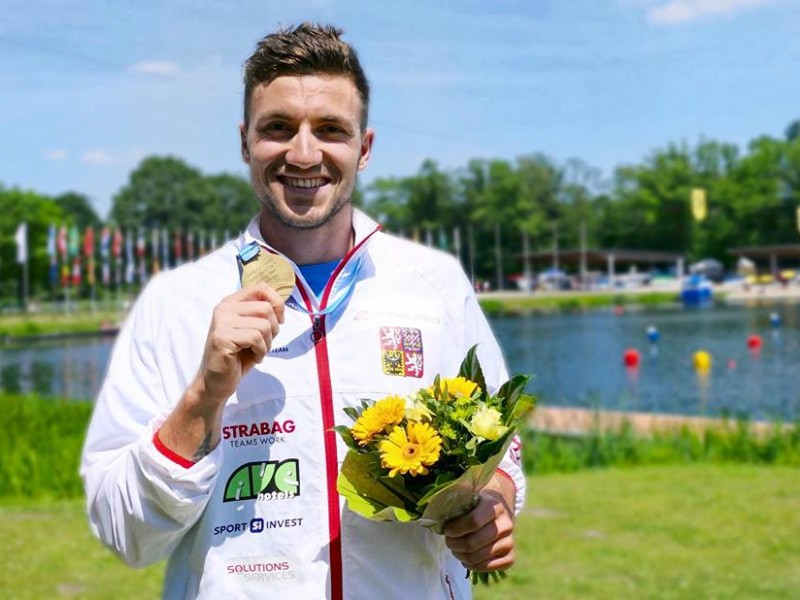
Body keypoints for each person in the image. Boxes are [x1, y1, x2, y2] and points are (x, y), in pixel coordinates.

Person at [81, 22, 525, 600]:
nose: (304, 152)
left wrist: (492, 505)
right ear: (245, 143)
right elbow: (126, 533)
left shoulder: (434, 283)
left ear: (364, 148)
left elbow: (500, 450)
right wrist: (203, 397)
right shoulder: (176, 303)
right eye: (278, 128)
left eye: (331, 129)